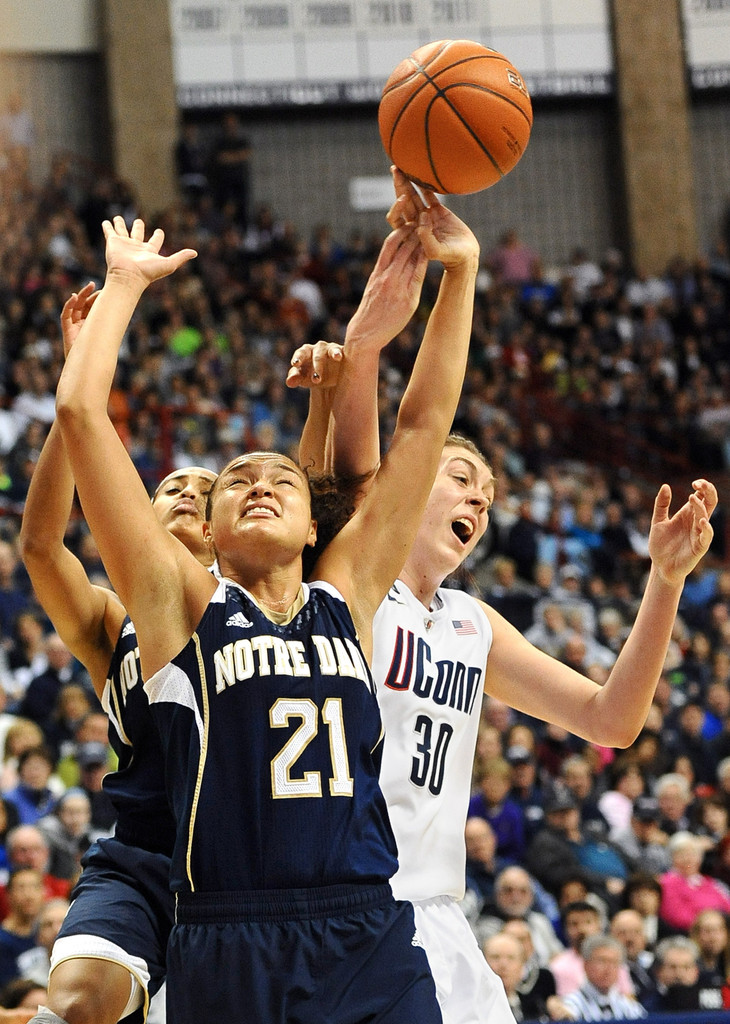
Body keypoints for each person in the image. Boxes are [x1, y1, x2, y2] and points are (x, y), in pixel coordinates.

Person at [53, 175, 479, 1024]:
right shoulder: (181, 607)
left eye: (280, 475)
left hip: (365, 930)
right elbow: (80, 411)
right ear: (206, 528)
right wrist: (125, 290)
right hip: (229, 934)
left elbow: (425, 427)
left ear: (309, 515)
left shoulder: (347, 593)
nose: (259, 481)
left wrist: (457, 276)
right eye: (237, 479)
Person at [290, 212, 717, 1024]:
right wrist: (403, 314)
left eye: (488, 497)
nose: (479, 500)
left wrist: (662, 581)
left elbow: (612, 719)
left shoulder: (472, 624)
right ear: (405, 489)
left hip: (440, 916)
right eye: (461, 479)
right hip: (344, 908)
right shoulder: (352, 579)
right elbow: (378, 443)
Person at [19, 283, 218, 1023]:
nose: (190, 494)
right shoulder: (113, 621)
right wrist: (76, 397)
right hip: (141, 856)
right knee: (75, 1005)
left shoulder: (258, 601)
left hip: (249, 864)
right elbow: (40, 547)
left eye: (208, 489)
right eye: (171, 486)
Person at [561, 934, 647, 1020]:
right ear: (585, 965)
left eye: (614, 962)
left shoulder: (628, 1006)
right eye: (602, 961)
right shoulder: (571, 1006)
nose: (608, 968)